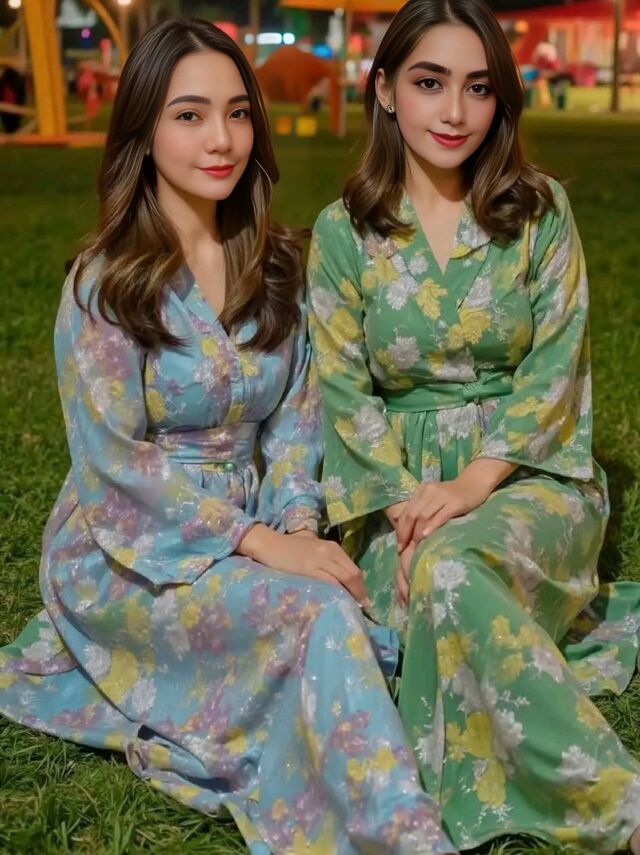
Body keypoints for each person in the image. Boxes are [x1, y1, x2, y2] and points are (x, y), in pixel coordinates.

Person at [0, 19, 456, 855]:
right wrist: (257, 543)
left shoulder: (278, 263)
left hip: (263, 525)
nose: (222, 138)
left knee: (358, 604)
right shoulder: (104, 286)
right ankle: (400, 833)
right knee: (321, 616)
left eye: (238, 113)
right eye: (190, 115)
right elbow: (115, 466)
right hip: (130, 548)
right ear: (141, 131)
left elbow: (295, 425)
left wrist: (298, 530)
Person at [307, 1, 640, 852]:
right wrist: (404, 507)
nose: (455, 111)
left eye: (479, 88)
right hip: (395, 492)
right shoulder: (344, 232)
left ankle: (618, 802)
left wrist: (470, 486)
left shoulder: (540, 211)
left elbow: (556, 365)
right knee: (434, 574)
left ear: (501, 101)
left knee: (453, 568)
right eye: (430, 83)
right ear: (386, 89)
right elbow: (343, 390)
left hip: (528, 475)